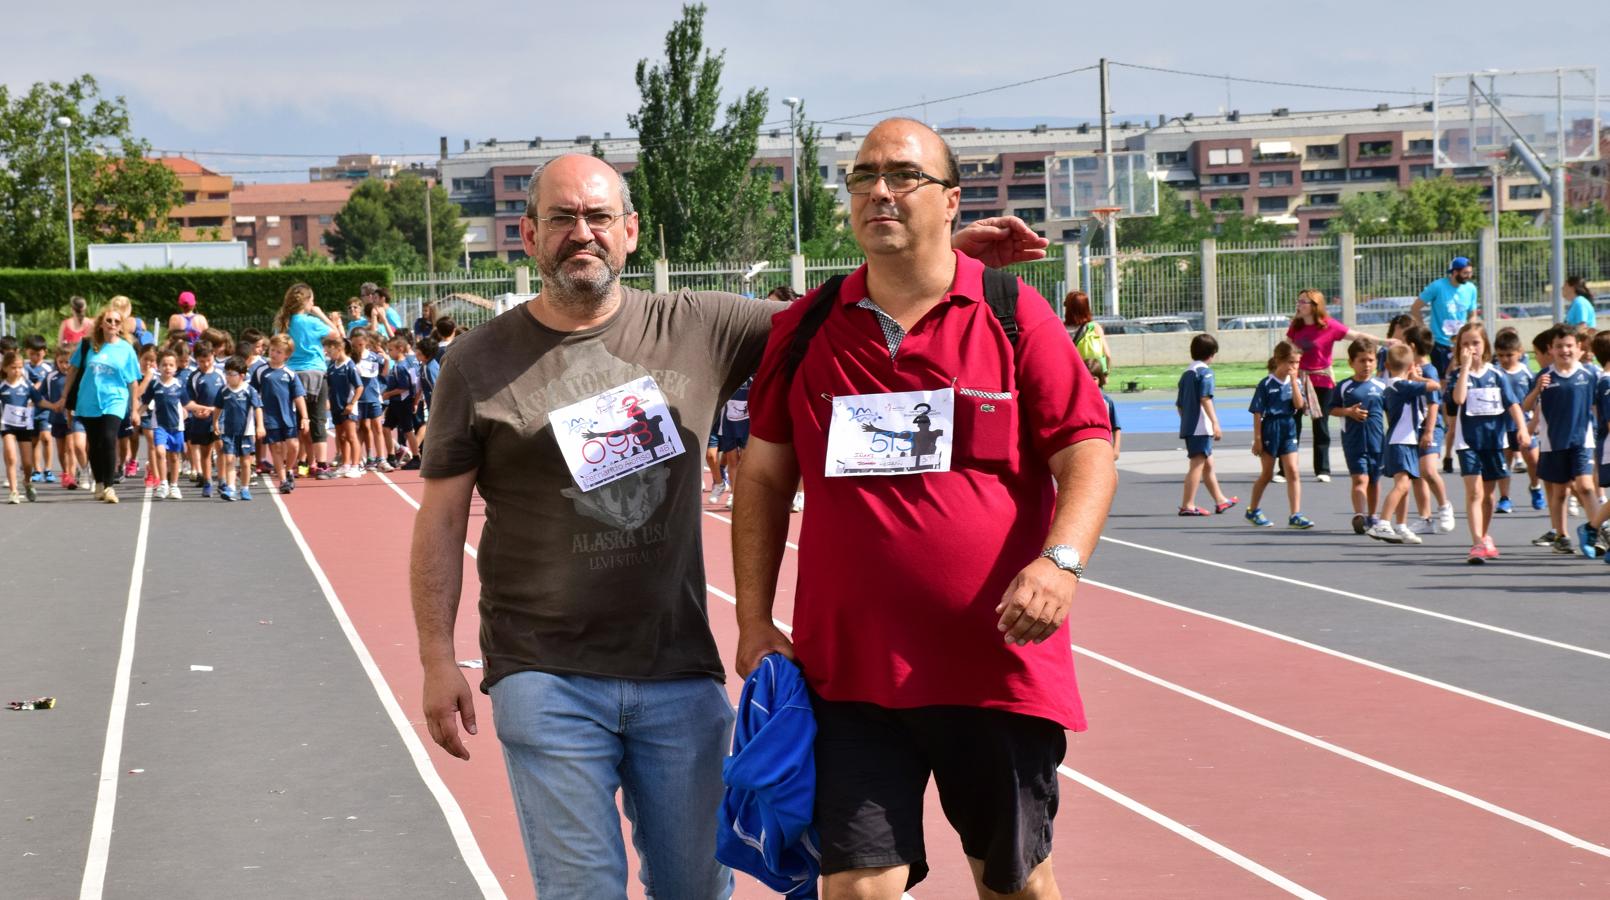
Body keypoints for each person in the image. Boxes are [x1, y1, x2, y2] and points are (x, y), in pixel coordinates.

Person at [410, 150, 1043, 899]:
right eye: (561, 219)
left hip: (677, 672)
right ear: (527, 233)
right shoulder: (479, 361)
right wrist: (436, 659)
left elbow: (832, 316)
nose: (582, 234)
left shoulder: (700, 324)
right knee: (582, 890)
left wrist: (936, 253)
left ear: (631, 231)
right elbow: (443, 519)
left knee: (698, 889)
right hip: (545, 673)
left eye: (598, 217)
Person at [732, 118, 1115, 900]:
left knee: (1014, 883)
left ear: (950, 200)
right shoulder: (803, 330)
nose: (880, 189)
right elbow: (765, 480)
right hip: (849, 676)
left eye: (904, 175)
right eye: (864, 175)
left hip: (994, 667)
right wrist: (750, 617)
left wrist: (1061, 560)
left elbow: (1088, 449)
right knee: (857, 885)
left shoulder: (1013, 314)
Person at [1446, 323, 1531, 562]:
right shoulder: (1456, 375)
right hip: (1468, 442)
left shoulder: (1497, 375)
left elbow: (1513, 404)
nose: (1471, 347)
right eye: (1465, 343)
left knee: (1488, 496)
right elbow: (1459, 398)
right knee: (1474, 492)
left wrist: (1522, 429)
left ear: (1484, 345)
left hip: (1493, 442)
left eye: (1475, 343)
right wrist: (1463, 369)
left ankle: (1484, 536)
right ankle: (1476, 543)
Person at [1286, 289, 1385, 482]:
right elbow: (1286, 349)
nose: (1299, 304)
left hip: (1321, 381)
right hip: (1298, 380)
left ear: (1315, 305)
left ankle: (1322, 469)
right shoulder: (1295, 327)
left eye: (1303, 301)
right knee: (1292, 424)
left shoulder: (1329, 326)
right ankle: (1286, 469)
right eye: (1299, 301)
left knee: (1320, 425)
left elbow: (1357, 335)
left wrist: (1385, 341)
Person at [1523, 325, 1599, 553]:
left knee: (1585, 487)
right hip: (1553, 441)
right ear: (1551, 349)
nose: (1564, 350)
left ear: (1578, 348)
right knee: (1560, 491)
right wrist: (1537, 390)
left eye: (1569, 346)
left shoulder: (1590, 374)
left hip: (1582, 440)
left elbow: (1598, 406)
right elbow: (1526, 406)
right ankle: (1561, 536)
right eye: (1559, 346)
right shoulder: (1544, 376)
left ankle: (1595, 532)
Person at [66, 306, 142, 503]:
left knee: (108, 438)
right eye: (109, 320)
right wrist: (63, 398)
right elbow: (73, 371)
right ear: (101, 323)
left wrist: (135, 409)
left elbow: (133, 381)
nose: (113, 324)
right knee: (95, 443)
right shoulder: (88, 345)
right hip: (88, 400)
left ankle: (109, 486)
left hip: (115, 400)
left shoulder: (126, 348)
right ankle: (99, 482)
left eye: (117, 321)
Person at [1368, 346, 1435, 544]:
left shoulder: (1397, 385)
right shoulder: (1401, 386)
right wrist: (1418, 377)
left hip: (1407, 440)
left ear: (1387, 365)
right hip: (1400, 441)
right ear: (1411, 366)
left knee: (1404, 485)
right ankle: (1382, 523)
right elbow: (1435, 386)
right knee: (1402, 484)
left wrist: (1412, 376)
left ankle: (1401, 525)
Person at [1246, 341, 1313, 529]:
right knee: (1267, 474)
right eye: (1291, 362)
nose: (1294, 367)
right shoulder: (1266, 384)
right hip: (1270, 428)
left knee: (1293, 470)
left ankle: (1295, 514)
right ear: (1278, 360)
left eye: (1297, 363)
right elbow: (1257, 413)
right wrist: (1258, 439)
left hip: (1289, 427)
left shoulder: (1296, 382)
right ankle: (1253, 509)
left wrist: (1293, 381)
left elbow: (1299, 405)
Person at [1329, 339, 1387, 534]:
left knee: (1374, 480)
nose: (1367, 365)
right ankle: (1360, 515)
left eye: (1371, 360)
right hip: (1353, 441)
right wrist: (1348, 412)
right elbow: (1331, 409)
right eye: (1362, 360)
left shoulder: (1381, 386)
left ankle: (1373, 515)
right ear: (1351, 363)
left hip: (1377, 441)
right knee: (1359, 479)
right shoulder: (1344, 386)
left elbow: (1391, 412)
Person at [1403, 325, 1456, 535]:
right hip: (1413, 427)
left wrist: (1429, 431)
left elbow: (1433, 404)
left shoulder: (1429, 371)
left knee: (1429, 470)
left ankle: (1445, 506)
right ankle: (1425, 517)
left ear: (1413, 346)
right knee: (1417, 474)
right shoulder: (1412, 370)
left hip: (1430, 427)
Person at [1176, 333, 1235, 516]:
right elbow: (1205, 398)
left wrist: (1186, 421)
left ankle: (1220, 500)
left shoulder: (1187, 373)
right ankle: (1188, 505)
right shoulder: (1205, 372)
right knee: (1197, 464)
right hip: (1200, 426)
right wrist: (1215, 423)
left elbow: (1179, 404)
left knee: (1208, 464)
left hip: (1190, 425)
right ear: (1212, 354)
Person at [1493, 329, 1541, 513]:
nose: (1505, 359)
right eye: (1501, 355)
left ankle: (1535, 487)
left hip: (1525, 425)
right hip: (1502, 426)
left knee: (1533, 461)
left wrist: (1534, 423)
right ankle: (1505, 498)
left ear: (1520, 352)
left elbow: (1536, 399)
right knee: (1504, 463)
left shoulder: (1527, 373)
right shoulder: (1495, 373)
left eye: (1510, 355)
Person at [1411, 256, 1479, 380]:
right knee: (1443, 379)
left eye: (1470, 273)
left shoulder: (1471, 289)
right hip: (1440, 343)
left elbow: (1473, 314)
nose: (1469, 276)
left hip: (1461, 343)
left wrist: (1470, 330)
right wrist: (1424, 330)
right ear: (1454, 272)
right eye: (1465, 273)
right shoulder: (1437, 286)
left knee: (1463, 376)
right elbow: (1415, 308)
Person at [259, 334, 308, 495]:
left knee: (293, 445)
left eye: (279, 352)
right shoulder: (261, 371)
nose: (274, 354)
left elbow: (299, 396)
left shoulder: (290, 373)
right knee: (277, 448)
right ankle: (283, 480)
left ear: (286, 355)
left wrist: (305, 417)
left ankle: (288, 470)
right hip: (270, 417)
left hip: (287, 416)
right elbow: (252, 392)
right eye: (272, 350)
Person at [213, 356, 264, 502]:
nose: (228, 377)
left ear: (242, 375)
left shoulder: (249, 390)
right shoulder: (223, 391)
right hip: (228, 432)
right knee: (229, 459)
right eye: (226, 373)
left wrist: (260, 426)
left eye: (232, 374)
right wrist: (215, 422)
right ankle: (231, 488)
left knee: (246, 462)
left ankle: (245, 488)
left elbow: (258, 408)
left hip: (246, 432)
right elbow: (218, 408)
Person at [141, 348, 188, 500]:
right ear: (158, 366)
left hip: (176, 427)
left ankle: (174, 486)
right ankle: (163, 483)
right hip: (159, 426)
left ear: (176, 367)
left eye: (171, 365)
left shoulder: (180, 385)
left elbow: (187, 404)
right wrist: (135, 413)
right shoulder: (155, 385)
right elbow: (145, 403)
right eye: (164, 365)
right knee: (160, 452)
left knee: (174, 457)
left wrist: (197, 410)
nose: (167, 368)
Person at [184, 341, 225, 497]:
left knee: (221, 448)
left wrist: (218, 410)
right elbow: (189, 401)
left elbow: (228, 395)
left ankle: (222, 481)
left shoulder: (221, 374)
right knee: (206, 451)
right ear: (196, 360)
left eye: (208, 360)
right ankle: (207, 482)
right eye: (201, 361)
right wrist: (196, 412)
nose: (206, 364)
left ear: (213, 356)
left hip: (219, 418)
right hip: (201, 419)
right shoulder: (194, 377)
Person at [1, 350, 43, 504]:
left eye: (19, 367)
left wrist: (54, 406)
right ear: (5, 368)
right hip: (7, 426)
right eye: (13, 367)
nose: (17, 371)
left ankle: (27, 481)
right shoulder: (2, 386)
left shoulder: (27, 385)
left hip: (24, 426)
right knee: (11, 457)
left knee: (27, 463)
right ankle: (13, 491)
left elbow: (39, 401)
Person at [41, 346, 84, 489]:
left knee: (71, 448)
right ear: (56, 361)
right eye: (61, 362)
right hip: (57, 419)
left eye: (68, 362)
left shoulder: (76, 376)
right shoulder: (50, 377)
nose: (65, 365)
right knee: (61, 451)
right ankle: (66, 472)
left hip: (72, 417)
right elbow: (41, 395)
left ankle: (71, 476)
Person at [351, 330, 390, 471]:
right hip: (357, 398)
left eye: (361, 344)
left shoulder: (374, 357)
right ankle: (359, 458)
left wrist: (387, 360)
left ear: (366, 342)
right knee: (360, 428)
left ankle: (381, 458)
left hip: (373, 396)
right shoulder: (351, 358)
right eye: (355, 345)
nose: (358, 347)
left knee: (377, 427)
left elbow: (384, 373)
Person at [23, 335, 55, 485]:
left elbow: (44, 386)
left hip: (44, 408)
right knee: (33, 440)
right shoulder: (23, 368)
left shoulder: (48, 368)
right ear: (26, 352)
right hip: (28, 410)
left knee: (46, 438)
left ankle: (48, 469)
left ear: (44, 352)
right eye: (32, 353)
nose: (35, 356)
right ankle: (37, 469)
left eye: (38, 353)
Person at [381, 334, 418, 467]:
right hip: (395, 403)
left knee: (408, 430)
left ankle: (416, 457)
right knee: (386, 428)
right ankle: (391, 456)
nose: (389, 353)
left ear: (400, 349)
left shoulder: (402, 366)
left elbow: (405, 387)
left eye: (391, 350)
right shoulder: (398, 365)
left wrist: (388, 394)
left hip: (402, 403)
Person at [1064, 289, 1109, 383]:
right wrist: (1105, 375)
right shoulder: (1094, 328)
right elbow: (1107, 355)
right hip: (1091, 376)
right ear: (1086, 308)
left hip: (1070, 377)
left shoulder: (1060, 329)